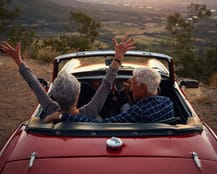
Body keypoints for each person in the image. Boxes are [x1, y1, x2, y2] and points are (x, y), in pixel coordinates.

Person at [0, 35, 135, 120]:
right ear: (78, 94)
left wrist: (18, 59)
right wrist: (118, 56)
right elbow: (107, 83)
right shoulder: (90, 112)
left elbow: (33, 83)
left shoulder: (50, 109)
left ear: (53, 95)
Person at [45, 66, 174, 123]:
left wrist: (63, 117)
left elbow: (101, 124)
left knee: (99, 117)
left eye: (133, 83)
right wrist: (130, 94)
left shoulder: (137, 112)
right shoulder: (168, 103)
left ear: (144, 87)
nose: (130, 88)